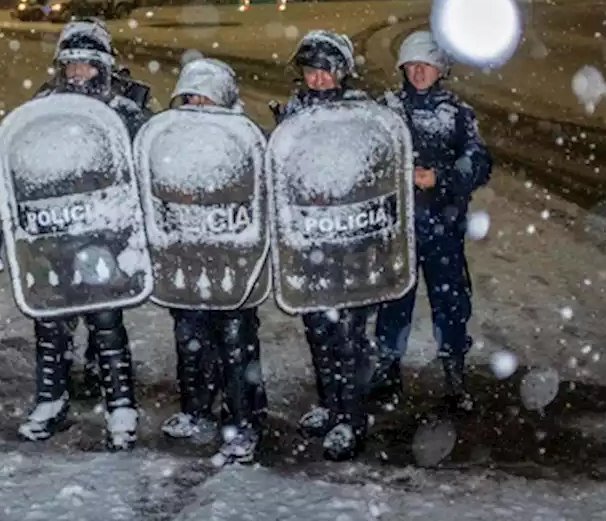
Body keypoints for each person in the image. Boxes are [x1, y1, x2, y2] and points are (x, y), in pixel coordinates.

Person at [19, 20, 150, 449]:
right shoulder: (44, 104)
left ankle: (121, 406)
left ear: (104, 67)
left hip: (102, 235)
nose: (78, 73)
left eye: (87, 66)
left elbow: (144, 162)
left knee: (106, 319)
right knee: (51, 321)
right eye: (72, 65)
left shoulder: (125, 109)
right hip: (56, 231)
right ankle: (50, 399)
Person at [371, 30, 492, 412]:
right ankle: (388, 371)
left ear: (440, 69)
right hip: (397, 228)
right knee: (393, 301)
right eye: (412, 65)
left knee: (451, 301)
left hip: (444, 226)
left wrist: (439, 177)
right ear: (402, 68)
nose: (419, 72)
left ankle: (455, 376)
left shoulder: (457, 114)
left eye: (426, 64)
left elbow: (478, 162)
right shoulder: (385, 109)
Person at [159, 57, 268, 465]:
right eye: (189, 96)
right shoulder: (169, 140)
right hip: (187, 260)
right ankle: (197, 410)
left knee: (236, 344)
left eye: (204, 96)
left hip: (233, 263)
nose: (196, 104)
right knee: (191, 341)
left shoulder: (244, 139)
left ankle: (245, 421)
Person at [272, 30, 372, 461]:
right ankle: (331, 405)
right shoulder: (294, 112)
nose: (317, 80)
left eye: (325, 72)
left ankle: (353, 418)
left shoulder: (364, 113)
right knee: (318, 330)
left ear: (342, 73)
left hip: (352, 241)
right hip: (311, 241)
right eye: (311, 72)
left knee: (348, 334)